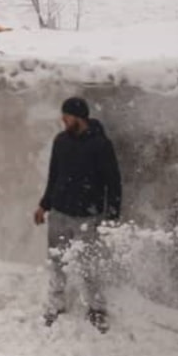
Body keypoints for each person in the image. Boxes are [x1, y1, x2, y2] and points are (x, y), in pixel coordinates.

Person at [34, 97, 122, 334]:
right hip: (59, 213)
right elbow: (54, 176)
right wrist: (44, 205)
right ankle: (56, 303)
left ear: (79, 117)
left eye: (67, 116)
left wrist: (112, 218)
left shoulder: (101, 145)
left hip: (87, 218)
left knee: (88, 265)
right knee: (57, 261)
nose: (63, 119)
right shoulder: (60, 141)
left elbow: (113, 183)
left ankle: (96, 308)